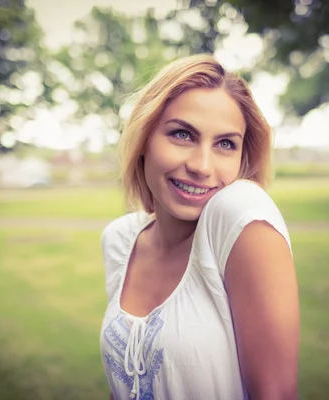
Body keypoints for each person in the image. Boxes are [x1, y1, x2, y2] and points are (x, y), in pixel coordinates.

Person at [100, 54, 299, 400]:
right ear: (144, 138)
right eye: (182, 134)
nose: (202, 166)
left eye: (225, 144)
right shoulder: (119, 239)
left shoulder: (241, 218)